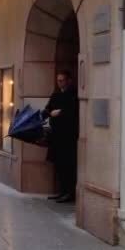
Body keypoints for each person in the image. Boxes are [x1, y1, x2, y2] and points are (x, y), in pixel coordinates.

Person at [43, 70, 79, 203]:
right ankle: (61, 191)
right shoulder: (56, 94)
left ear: (69, 80)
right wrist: (47, 113)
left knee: (68, 165)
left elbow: (73, 111)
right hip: (56, 135)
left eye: (62, 80)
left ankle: (69, 193)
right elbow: (48, 109)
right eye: (58, 80)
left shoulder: (73, 94)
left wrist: (60, 112)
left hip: (68, 136)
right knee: (58, 164)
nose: (60, 83)